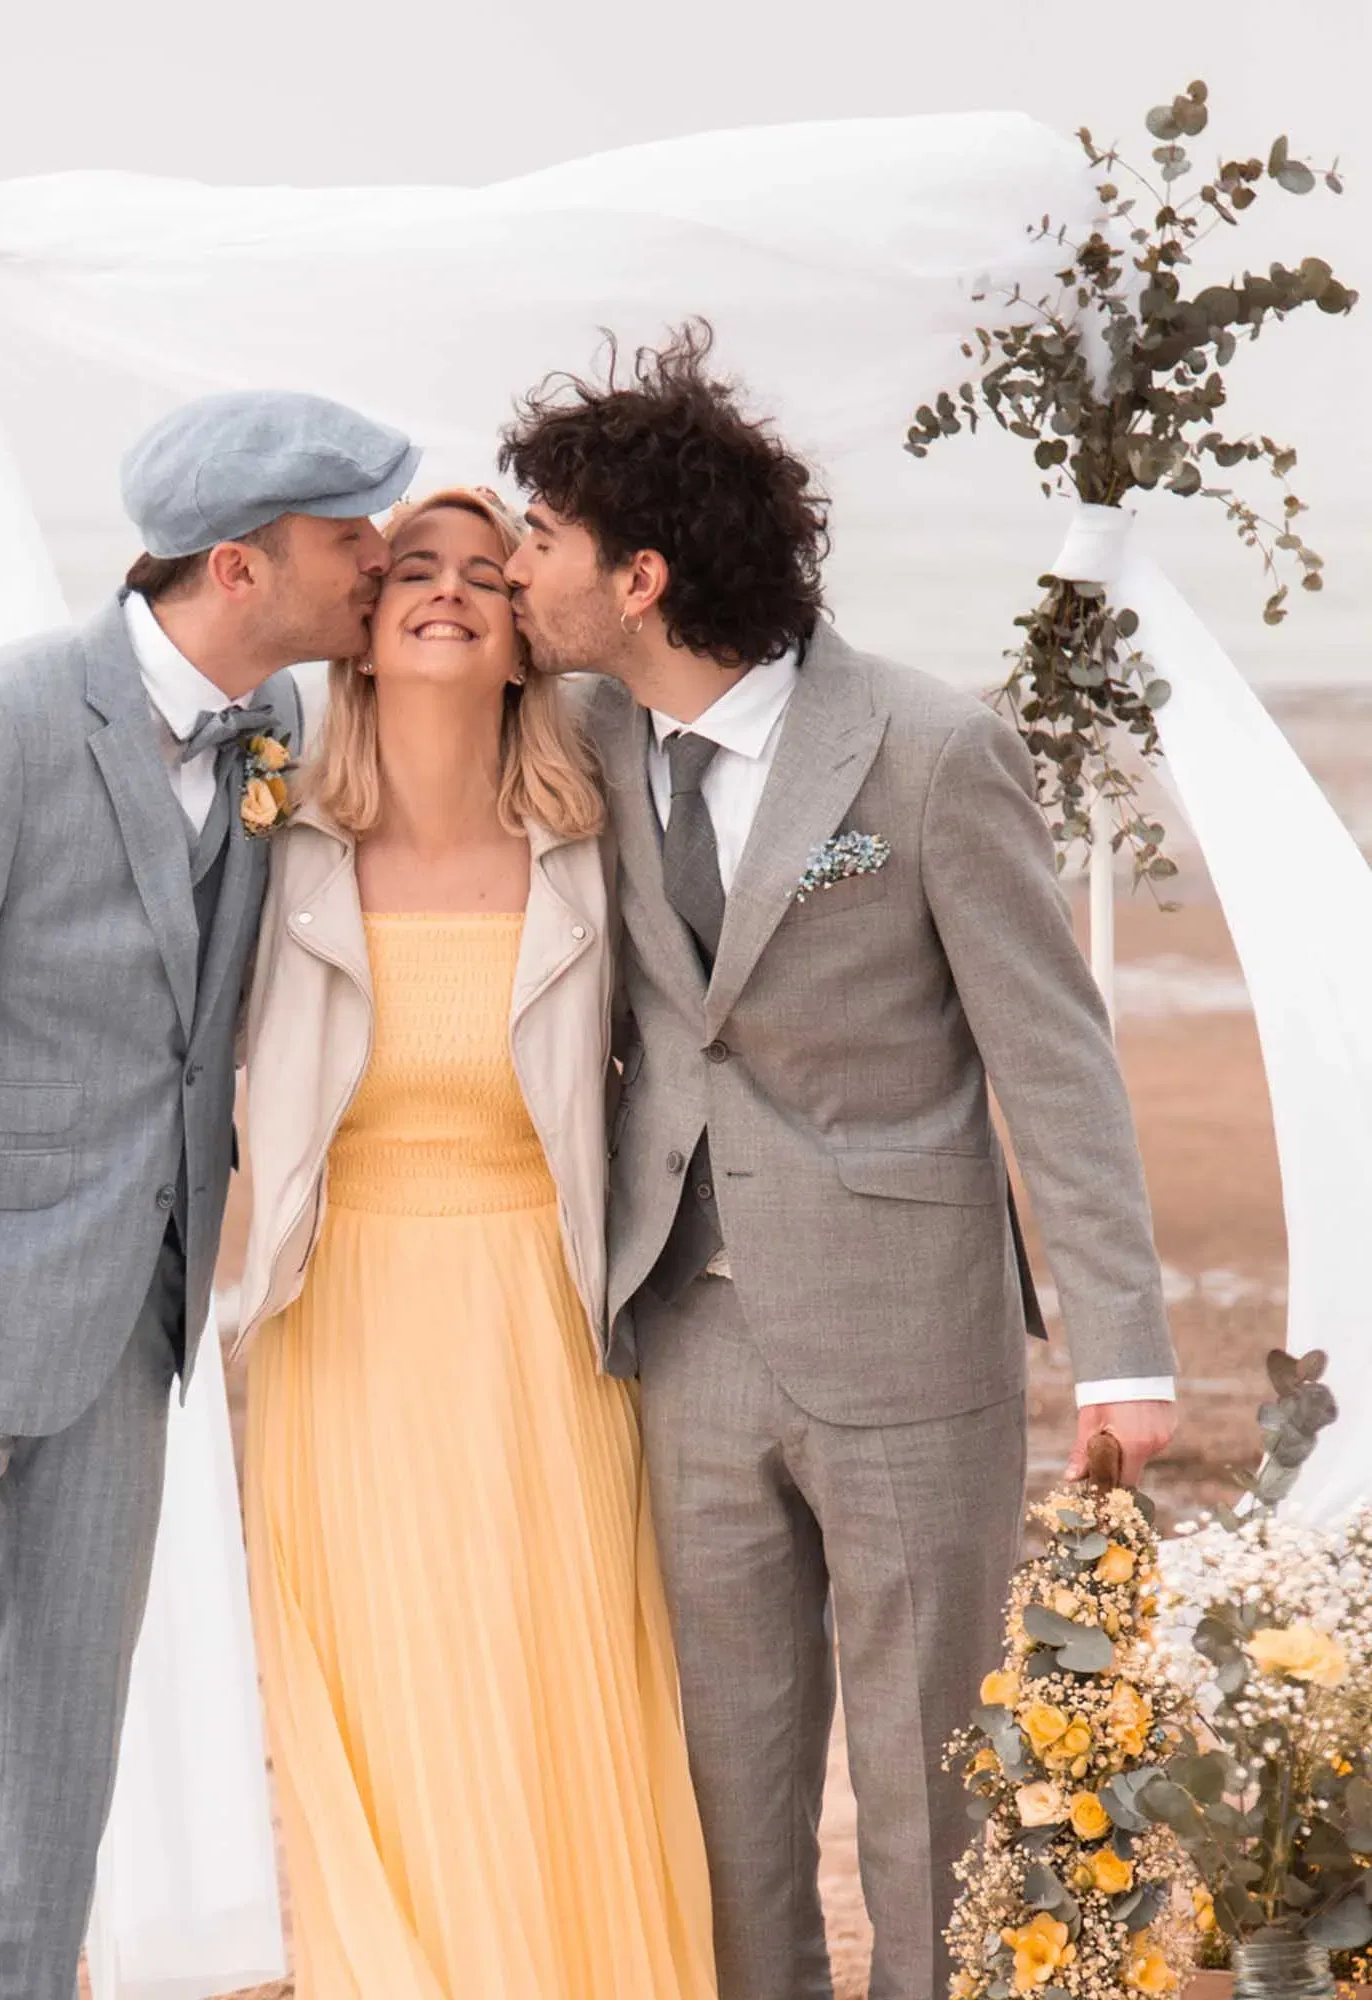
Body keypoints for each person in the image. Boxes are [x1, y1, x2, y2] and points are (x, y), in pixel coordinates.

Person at [497, 326, 1180, 2000]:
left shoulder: (931, 750)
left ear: (641, 574)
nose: (517, 571)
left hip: (905, 1333)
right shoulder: (587, 726)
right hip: (684, 1333)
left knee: (930, 1780)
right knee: (728, 1789)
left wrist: (1127, 1348)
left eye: (540, 541)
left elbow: (1056, 1059)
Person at [0, 390, 415, 2000]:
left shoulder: (274, 740)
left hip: (128, 1345)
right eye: (352, 543)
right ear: (237, 566)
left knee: (58, 1791)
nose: (380, 570)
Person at [236, 486, 719, 1999]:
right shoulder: (277, 845)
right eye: (412, 572)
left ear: (525, 642)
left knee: (543, 1697)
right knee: (385, 1709)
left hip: (542, 1325)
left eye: (486, 577)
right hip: (341, 1329)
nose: (448, 592)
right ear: (361, 634)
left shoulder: (597, 840)